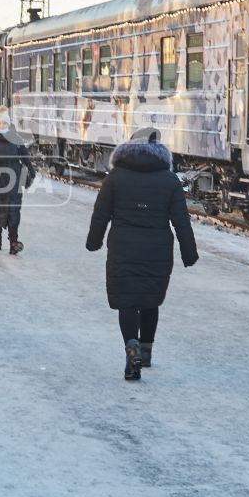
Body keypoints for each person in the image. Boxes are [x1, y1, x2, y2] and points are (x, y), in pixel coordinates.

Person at [85, 128, 199, 381]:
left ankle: (131, 348)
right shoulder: (169, 181)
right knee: (149, 299)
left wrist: (93, 242)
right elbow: (181, 220)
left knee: (128, 301)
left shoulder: (115, 178)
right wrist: (189, 252)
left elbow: (100, 214)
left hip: (123, 246)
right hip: (157, 249)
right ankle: (145, 354)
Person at [0, 113, 36, 255]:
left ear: (8, 123)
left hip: (14, 178)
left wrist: (31, 170)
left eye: (4, 123)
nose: (2, 126)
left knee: (14, 211)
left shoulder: (16, 139)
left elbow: (24, 156)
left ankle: (13, 242)